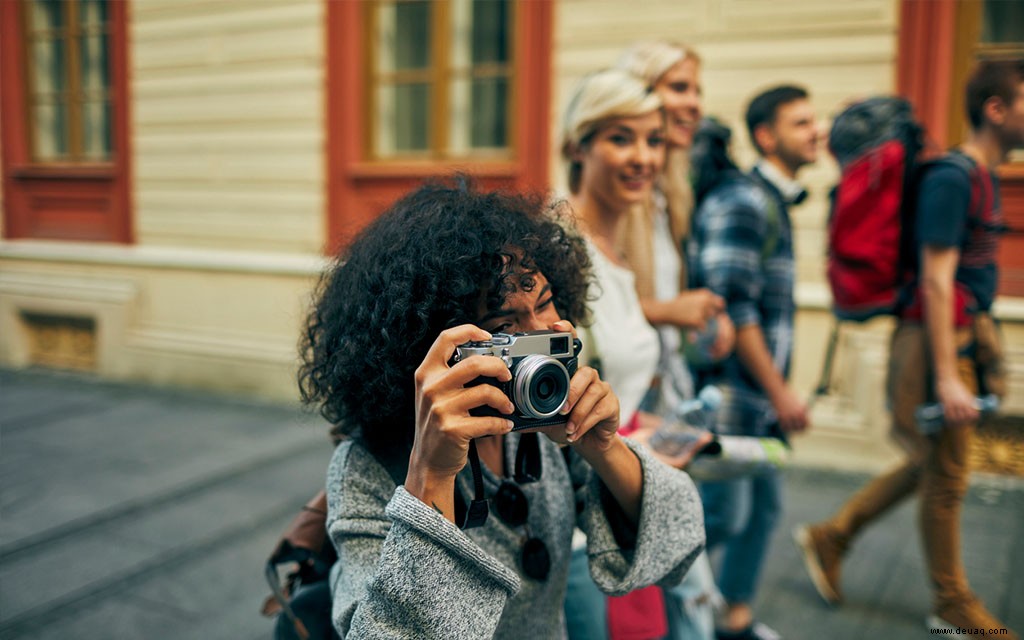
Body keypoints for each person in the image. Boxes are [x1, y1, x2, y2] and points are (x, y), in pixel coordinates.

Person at [299, 177, 706, 639]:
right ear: (431, 349)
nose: (542, 339)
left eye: (547, 303)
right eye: (506, 325)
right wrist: (431, 477)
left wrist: (603, 447)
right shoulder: (368, 469)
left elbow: (680, 542)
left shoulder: (542, 431)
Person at [794, 60, 1023, 638]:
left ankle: (833, 535)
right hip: (934, 341)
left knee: (934, 465)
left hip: (962, 335)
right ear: (997, 109)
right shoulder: (954, 178)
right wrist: (949, 377)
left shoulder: (980, 175)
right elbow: (936, 282)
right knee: (946, 477)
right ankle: (950, 604)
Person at [616, 40, 736, 640]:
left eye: (696, 88)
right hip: (631, 409)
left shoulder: (670, 194)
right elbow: (595, 314)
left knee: (684, 564)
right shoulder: (619, 196)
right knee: (684, 575)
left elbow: (660, 313)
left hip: (667, 396)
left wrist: (700, 326)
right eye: (679, 87)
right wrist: (673, 310)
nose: (694, 103)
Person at [558, 67, 683, 640]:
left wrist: (641, 429)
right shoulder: (557, 252)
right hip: (576, 532)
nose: (642, 157)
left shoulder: (617, 250)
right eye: (620, 137)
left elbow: (610, 385)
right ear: (577, 147)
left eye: (653, 140)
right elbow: (546, 404)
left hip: (622, 494)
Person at [690, 85, 818, 640]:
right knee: (720, 516)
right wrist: (779, 392)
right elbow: (730, 308)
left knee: (761, 511)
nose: (818, 131)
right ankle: (653, 602)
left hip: (755, 399)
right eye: (801, 122)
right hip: (732, 397)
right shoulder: (744, 202)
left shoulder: (769, 200)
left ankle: (732, 621)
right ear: (766, 136)